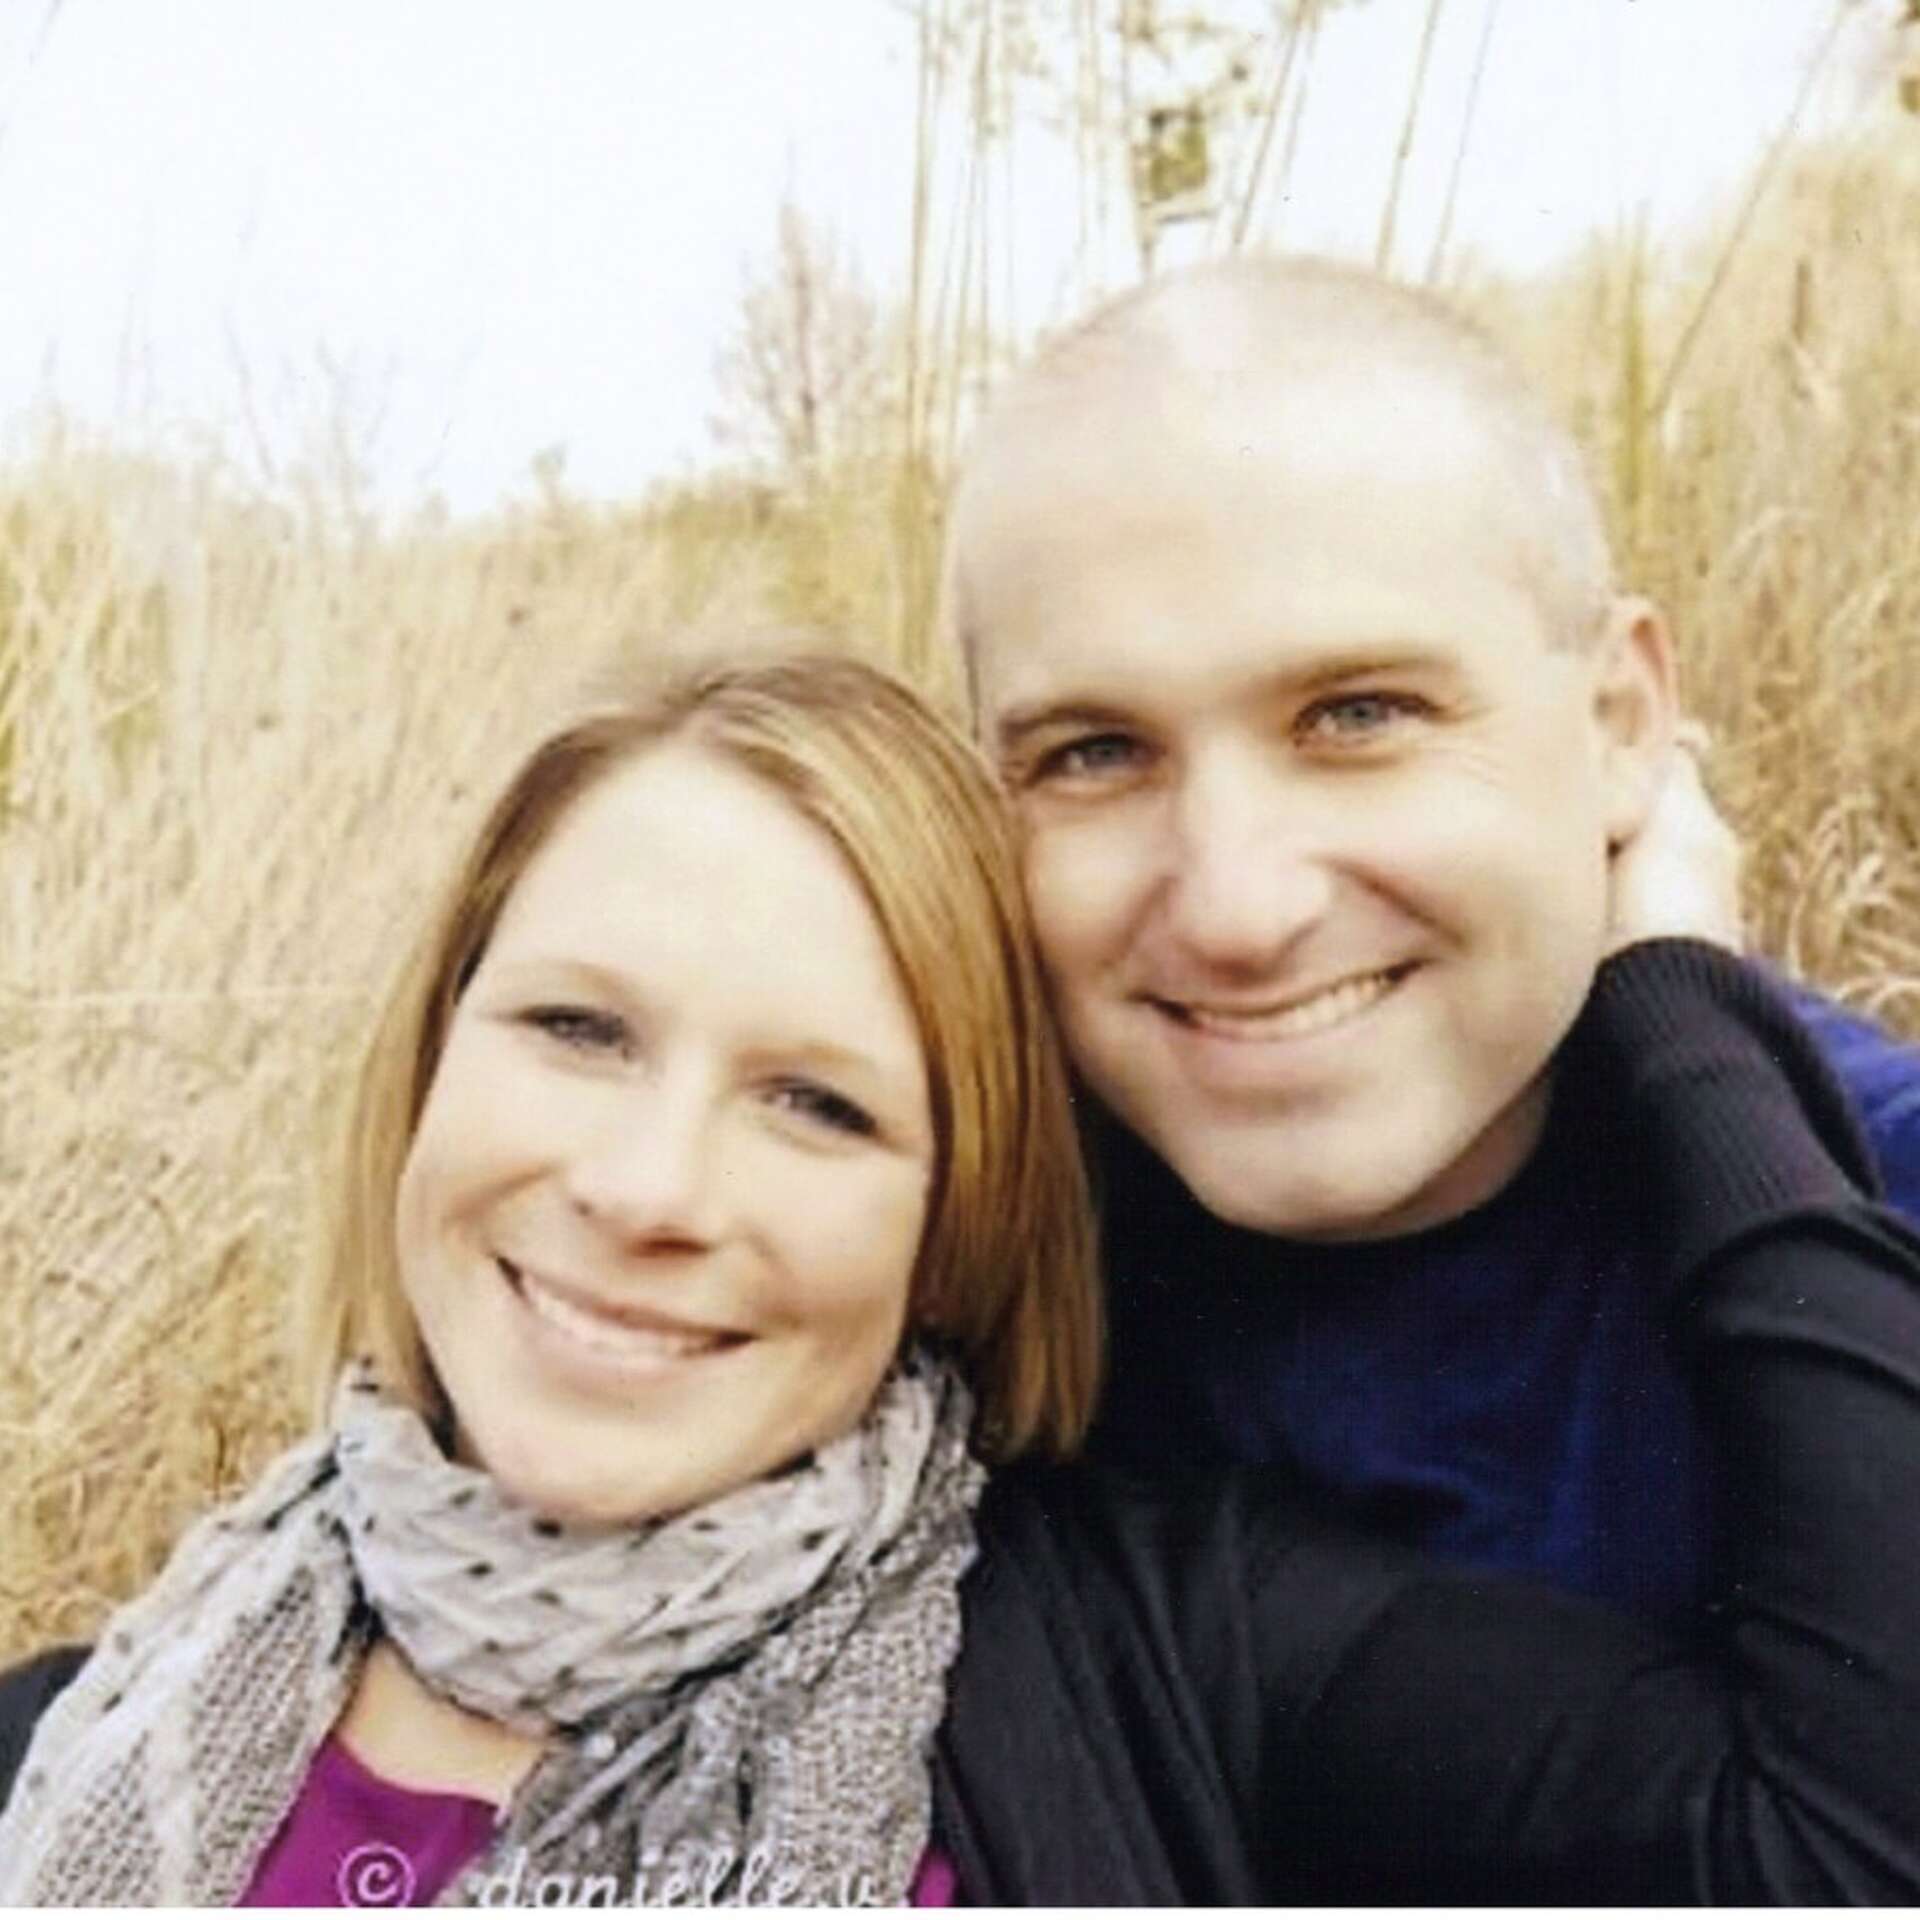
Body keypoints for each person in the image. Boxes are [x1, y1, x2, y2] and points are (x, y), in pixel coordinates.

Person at [2, 652, 1918, 1904]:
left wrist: (1681, 1008)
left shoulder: (1183, 1660)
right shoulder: (73, 1748)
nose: (647, 1189)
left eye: (819, 1106)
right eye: (577, 1030)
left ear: (958, 1226)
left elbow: (1848, 1847)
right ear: (432, 1061)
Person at [942, 253, 1920, 1611]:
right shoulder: (922, 1303)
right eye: (1094, 753)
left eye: (1358, 717)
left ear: (1620, 723)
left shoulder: (1879, 1197)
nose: (1238, 910)